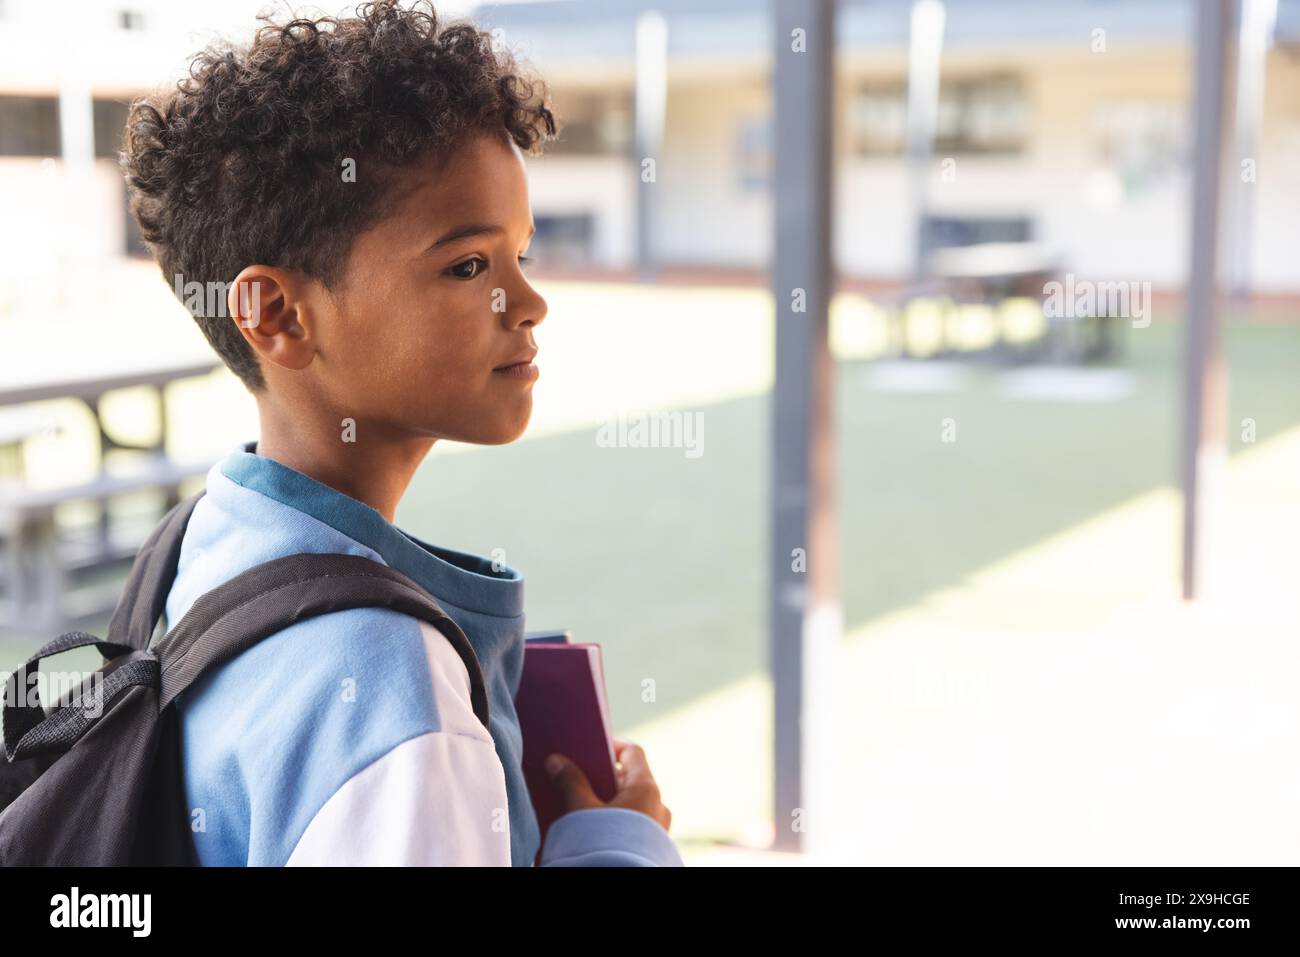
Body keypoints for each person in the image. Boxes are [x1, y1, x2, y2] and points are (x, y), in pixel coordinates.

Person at [121, 0, 681, 866]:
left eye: (521, 255)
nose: (528, 304)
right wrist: (620, 842)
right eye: (468, 266)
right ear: (278, 315)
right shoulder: (389, 689)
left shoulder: (201, 543)